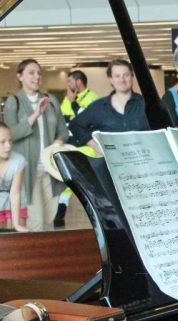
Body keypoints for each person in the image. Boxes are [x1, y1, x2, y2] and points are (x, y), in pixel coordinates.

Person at [3, 59, 68, 231]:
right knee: (36, 223)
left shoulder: (51, 100)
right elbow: (12, 134)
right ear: (20, 77)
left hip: (50, 169)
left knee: (49, 221)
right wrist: (36, 114)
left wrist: (58, 141)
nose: (36, 76)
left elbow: (63, 130)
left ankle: (48, 257)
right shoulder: (13, 102)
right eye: (31, 72)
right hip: (26, 172)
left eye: (39, 73)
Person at [69, 59, 149, 155]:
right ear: (111, 79)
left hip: (144, 161)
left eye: (126, 75)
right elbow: (75, 125)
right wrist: (97, 147)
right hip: (113, 164)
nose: (122, 80)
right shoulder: (99, 107)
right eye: (117, 76)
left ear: (132, 76)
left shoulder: (146, 104)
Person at [56, 70, 99, 227]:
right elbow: (63, 119)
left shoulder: (92, 99)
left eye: (70, 81)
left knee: (89, 185)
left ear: (79, 82)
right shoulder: (68, 99)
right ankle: (60, 214)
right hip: (71, 145)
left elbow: (82, 121)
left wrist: (73, 105)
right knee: (66, 182)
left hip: (87, 147)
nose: (68, 85)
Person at [0, 123, 28, 232]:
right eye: (2, 142)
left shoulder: (18, 160)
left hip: (16, 205)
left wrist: (16, 225)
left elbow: (15, 193)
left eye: (10, 141)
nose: (8, 146)